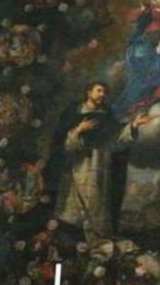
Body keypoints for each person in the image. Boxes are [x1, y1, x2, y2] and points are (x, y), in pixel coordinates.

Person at [50, 82, 150, 237]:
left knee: (97, 200)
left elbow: (116, 139)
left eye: (104, 92)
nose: (102, 94)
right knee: (74, 202)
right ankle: (73, 237)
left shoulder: (107, 115)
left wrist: (133, 125)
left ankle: (95, 236)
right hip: (79, 164)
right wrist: (78, 130)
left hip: (100, 163)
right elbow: (62, 143)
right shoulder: (73, 112)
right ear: (89, 92)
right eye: (99, 91)